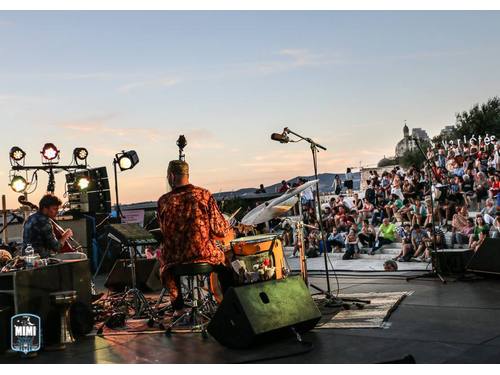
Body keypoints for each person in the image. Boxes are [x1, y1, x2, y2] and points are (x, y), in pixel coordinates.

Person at [158, 160, 232, 318]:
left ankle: (178, 309)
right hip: (201, 254)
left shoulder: (163, 201)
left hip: (175, 258)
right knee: (226, 265)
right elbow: (219, 230)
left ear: (171, 176)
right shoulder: (203, 195)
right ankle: (229, 307)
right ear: (187, 175)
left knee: (167, 266)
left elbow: (164, 230)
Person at [22, 194, 74, 259]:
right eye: (54, 209)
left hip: (27, 258)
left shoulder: (29, 218)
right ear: (45, 208)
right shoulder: (45, 222)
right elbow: (56, 247)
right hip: (41, 259)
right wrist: (65, 235)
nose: (57, 212)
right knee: (81, 256)